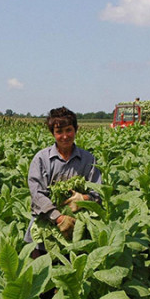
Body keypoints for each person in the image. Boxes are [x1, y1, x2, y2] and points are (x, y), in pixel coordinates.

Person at [25, 107, 102, 257]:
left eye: (69, 130)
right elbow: (37, 195)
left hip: (77, 231)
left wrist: (83, 199)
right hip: (44, 232)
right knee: (41, 274)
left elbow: (98, 193)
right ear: (53, 133)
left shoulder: (88, 159)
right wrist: (58, 218)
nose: (65, 136)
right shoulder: (41, 159)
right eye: (59, 132)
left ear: (76, 130)